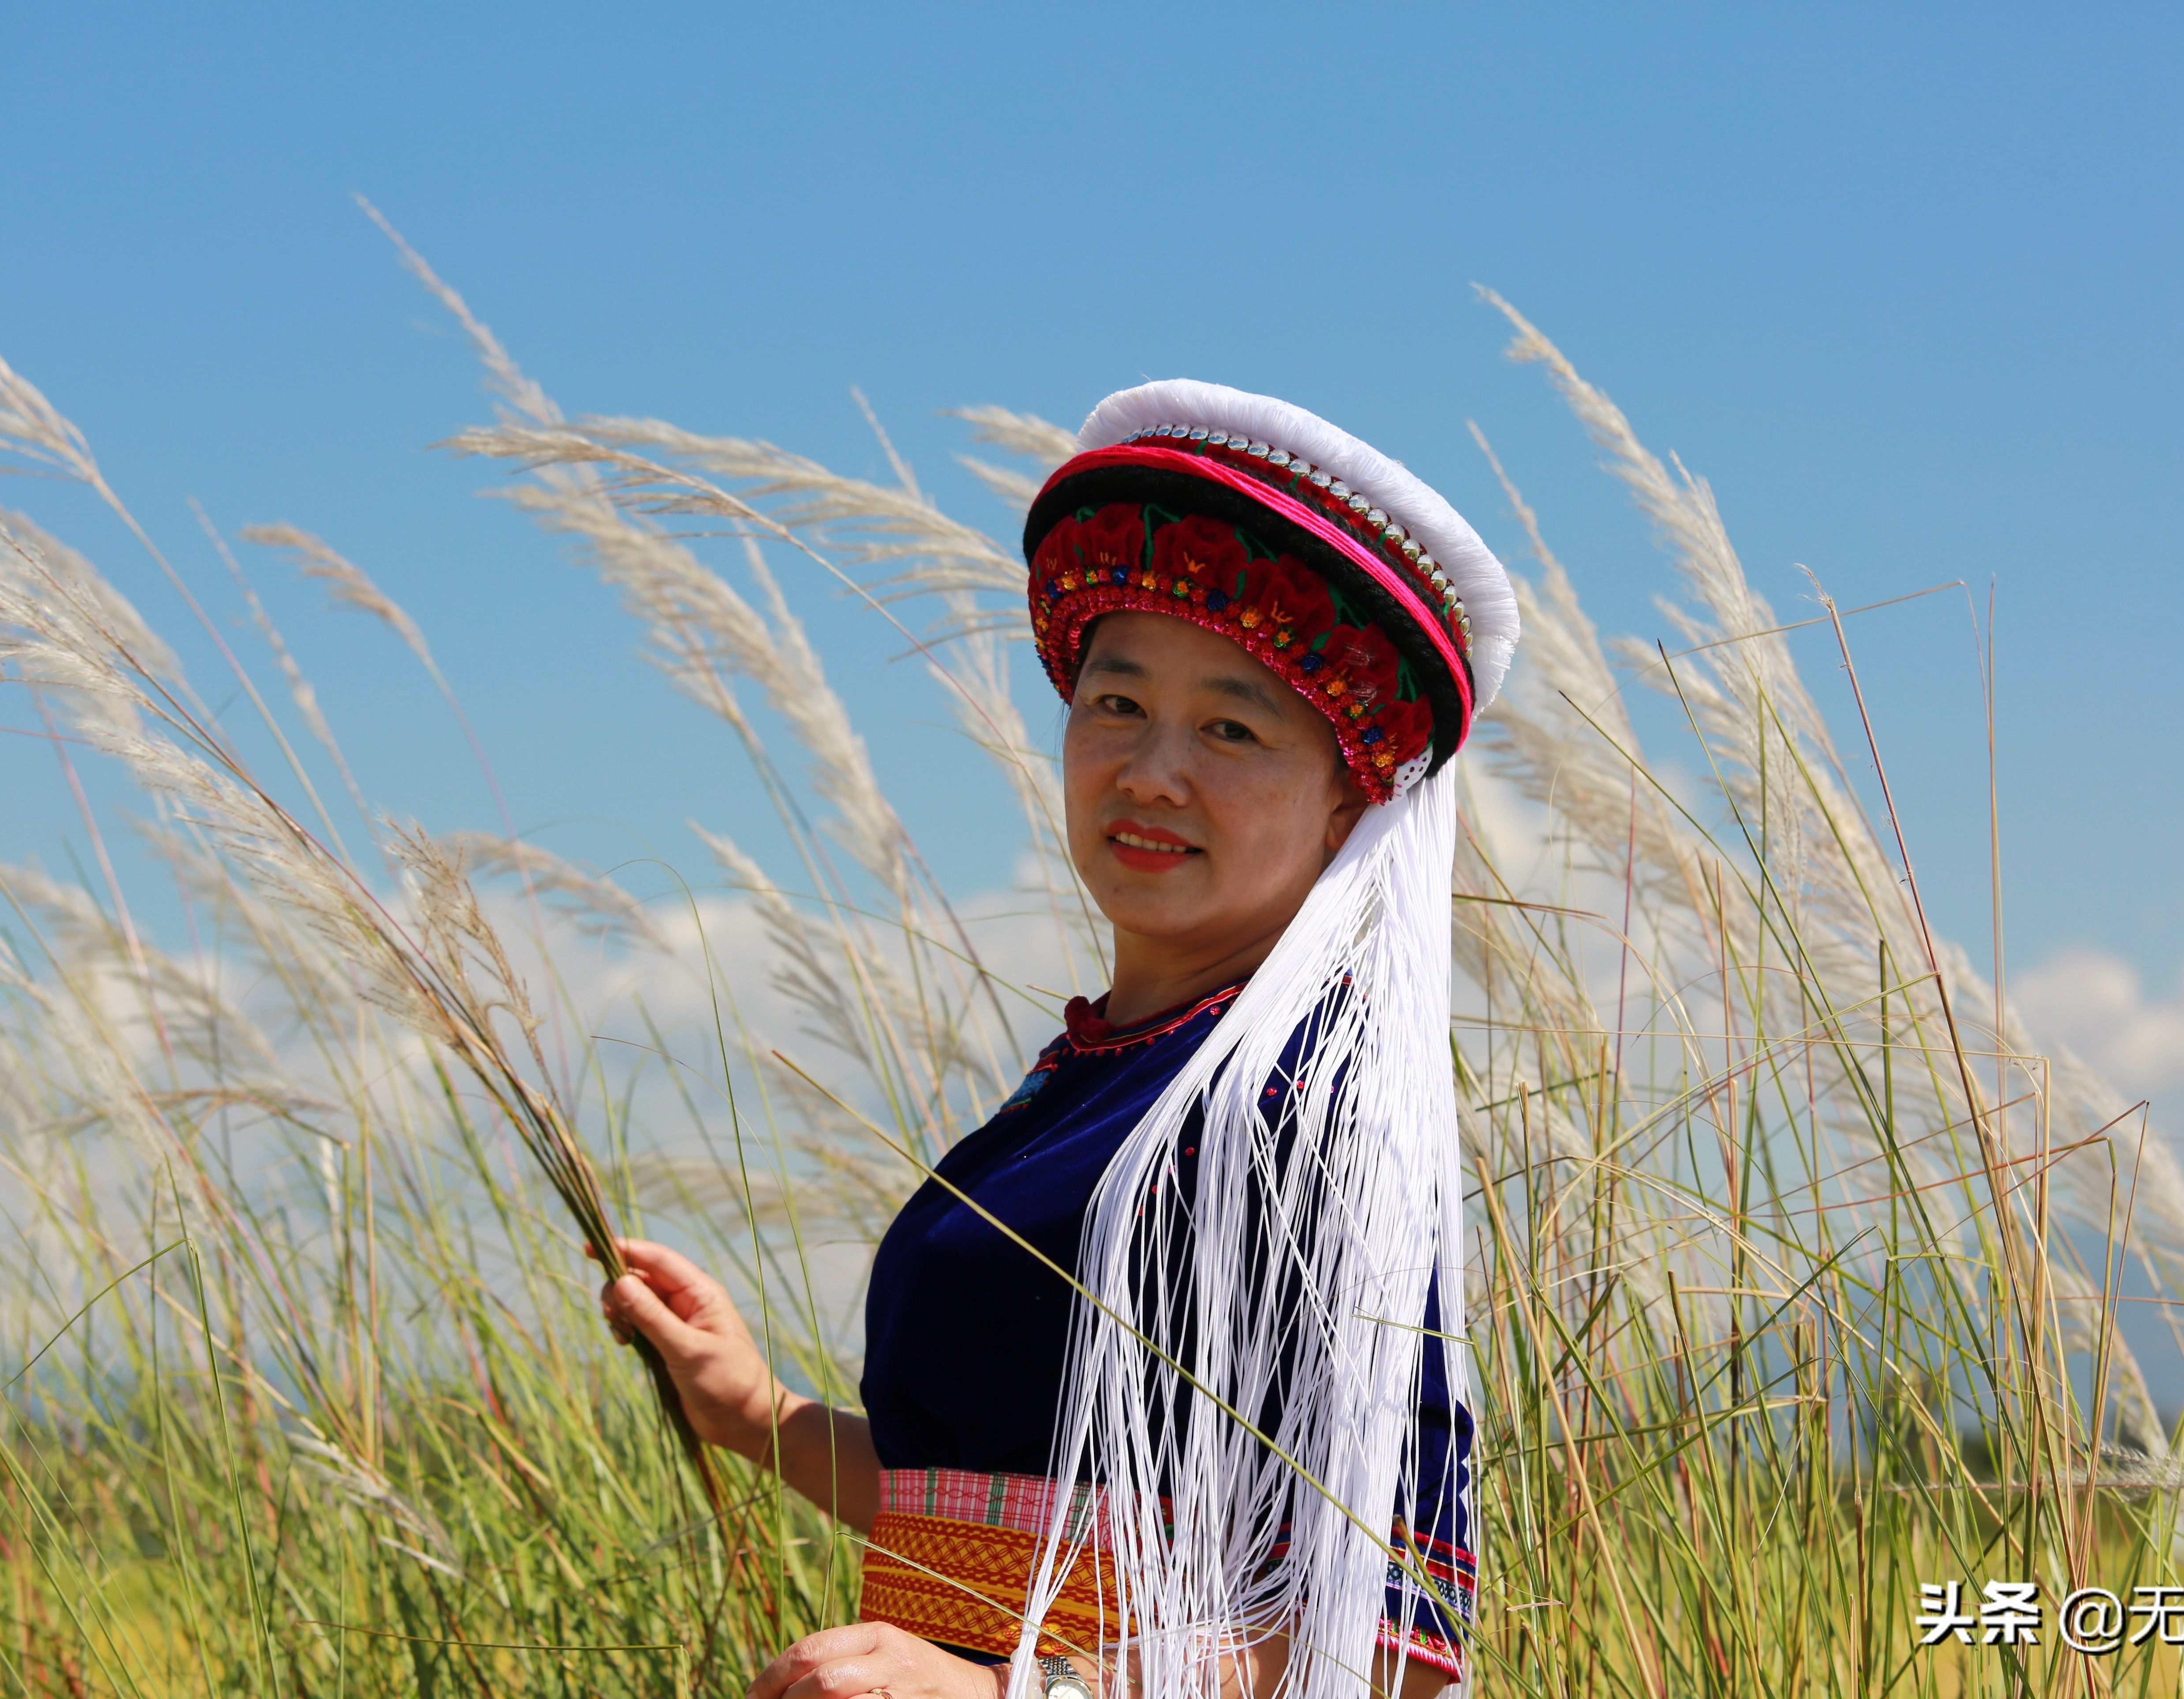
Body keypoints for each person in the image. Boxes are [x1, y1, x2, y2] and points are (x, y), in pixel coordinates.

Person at [600, 382, 1518, 1698]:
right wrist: (764, 1418)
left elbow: (1395, 1637)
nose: (1152, 771)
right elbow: (1014, 1525)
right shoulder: (1095, 1075)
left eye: (1234, 728)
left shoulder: (1308, 1110)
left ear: (1343, 803)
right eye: (1116, 704)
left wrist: (1006, 1694)